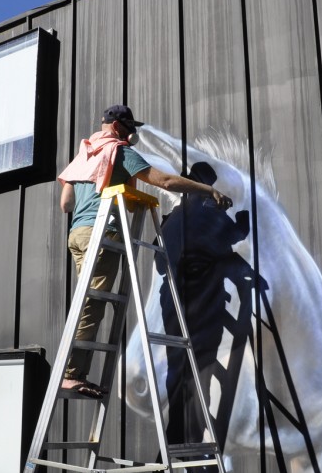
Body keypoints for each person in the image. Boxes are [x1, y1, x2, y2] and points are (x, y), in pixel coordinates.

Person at [57, 105, 232, 398]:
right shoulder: (120, 153)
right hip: (101, 234)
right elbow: (164, 181)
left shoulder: (84, 153)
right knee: (92, 304)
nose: (133, 133)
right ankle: (71, 374)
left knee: (87, 302)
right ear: (117, 126)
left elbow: (66, 204)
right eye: (129, 127)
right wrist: (208, 190)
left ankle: (73, 371)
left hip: (77, 234)